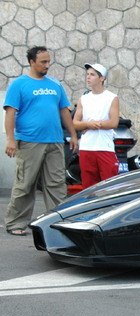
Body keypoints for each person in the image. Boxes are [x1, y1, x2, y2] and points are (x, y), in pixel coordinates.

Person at [3, 46, 78, 236]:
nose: (47, 65)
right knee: (25, 183)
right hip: (29, 141)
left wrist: (73, 135)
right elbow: (10, 113)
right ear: (32, 62)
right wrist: (10, 139)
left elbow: (64, 111)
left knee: (56, 184)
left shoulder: (55, 84)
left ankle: (59, 222)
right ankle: (16, 222)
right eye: (43, 62)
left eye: (48, 61)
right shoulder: (19, 84)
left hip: (54, 141)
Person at [72, 63, 120, 189]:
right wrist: (88, 124)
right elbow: (75, 123)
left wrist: (93, 125)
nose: (88, 77)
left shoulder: (112, 98)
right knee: (88, 187)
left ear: (102, 78)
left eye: (92, 75)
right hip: (87, 147)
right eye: (88, 74)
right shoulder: (83, 98)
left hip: (105, 147)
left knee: (109, 185)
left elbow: (113, 122)